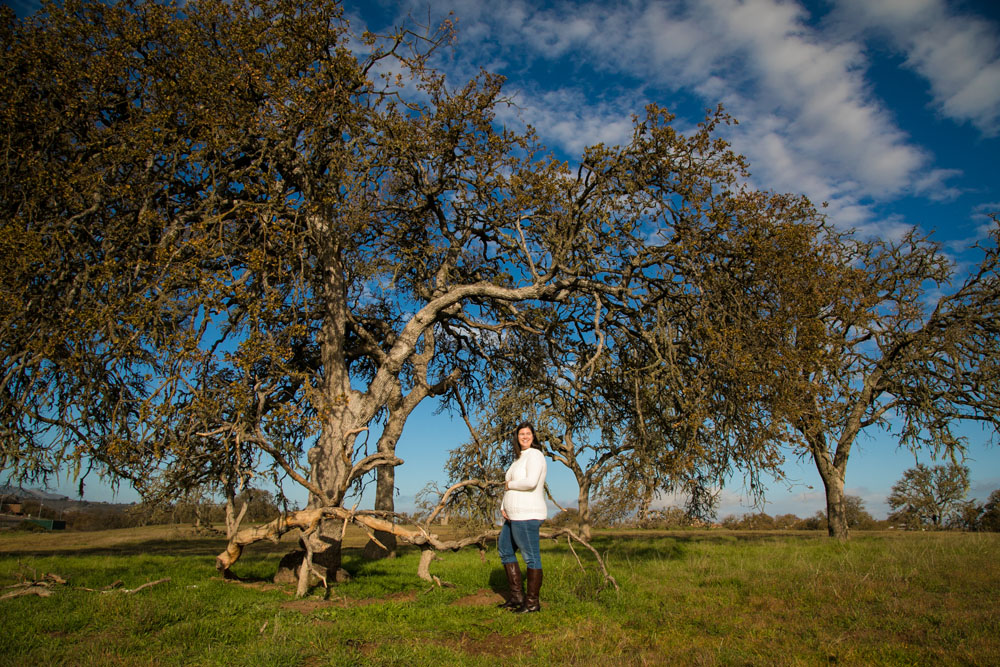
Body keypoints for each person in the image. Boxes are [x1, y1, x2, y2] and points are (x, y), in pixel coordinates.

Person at [497, 421, 547, 613]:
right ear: (516, 438)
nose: (525, 436)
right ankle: (517, 597)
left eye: (528, 433)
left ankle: (533, 603)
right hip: (512, 515)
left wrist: (509, 486)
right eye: (521, 434)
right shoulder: (518, 458)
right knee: (505, 550)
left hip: (527, 514)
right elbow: (508, 485)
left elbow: (530, 482)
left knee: (531, 558)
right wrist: (503, 505)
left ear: (533, 436)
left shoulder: (535, 455)